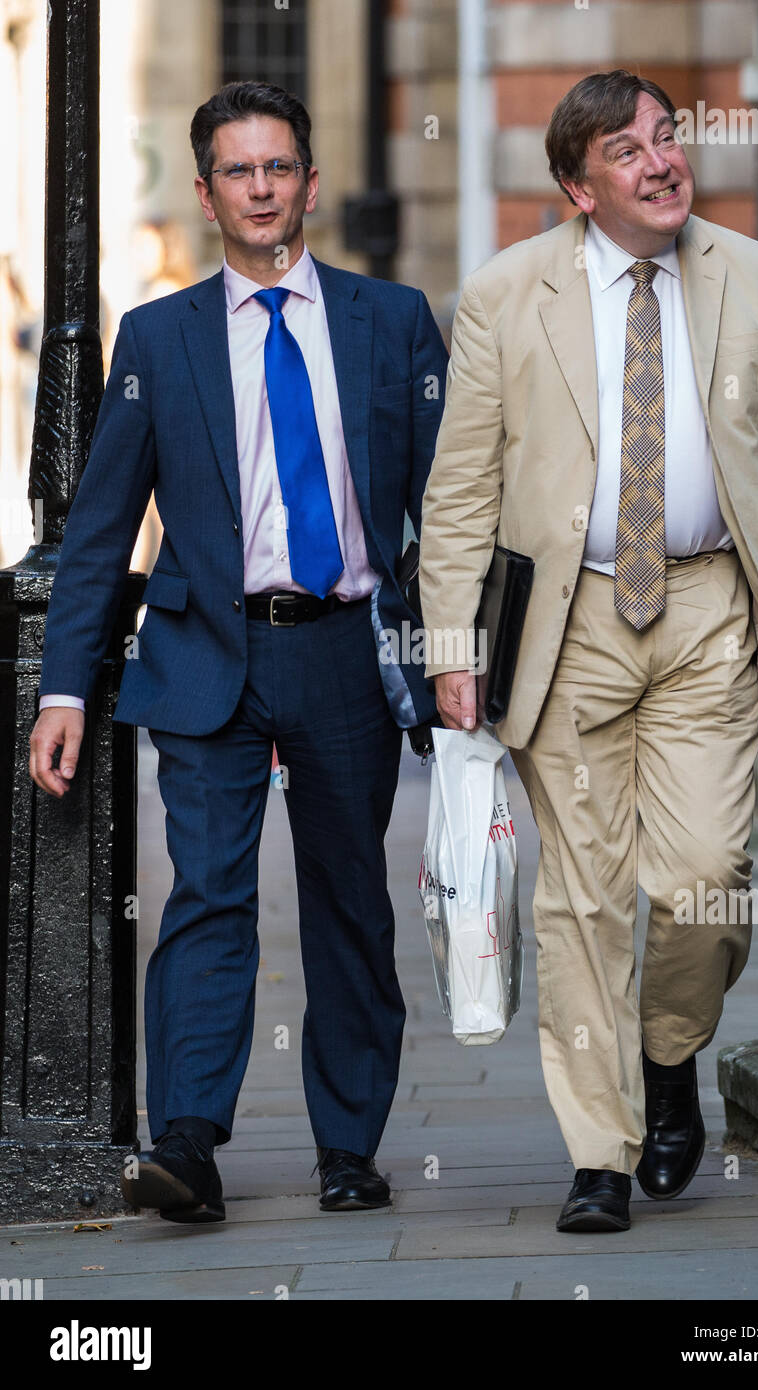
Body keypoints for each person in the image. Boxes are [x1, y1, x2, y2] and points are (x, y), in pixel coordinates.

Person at [419, 70, 758, 1234]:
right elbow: (459, 490)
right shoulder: (505, 295)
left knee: (708, 878)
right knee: (578, 903)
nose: (662, 162)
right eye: (627, 150)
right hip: (565, 631)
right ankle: (598, 1152)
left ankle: (667, 1054)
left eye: (666, 137)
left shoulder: (744, 272)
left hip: (710, 615)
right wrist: (453, 646)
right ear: (576, 186)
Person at [29, 81, 448, 1224]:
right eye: (237, 171)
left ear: (307, 183)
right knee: (206, 897)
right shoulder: (156, 340)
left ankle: (349, 1145)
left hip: (344, 658)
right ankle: (189, 1143)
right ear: (208, 192)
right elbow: (100, 529)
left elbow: (452, 507)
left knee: (350, 903)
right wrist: (64, 682)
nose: (261, 189)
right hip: (208, 653)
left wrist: (453, 658)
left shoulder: (391, 319)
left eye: (279, 168)